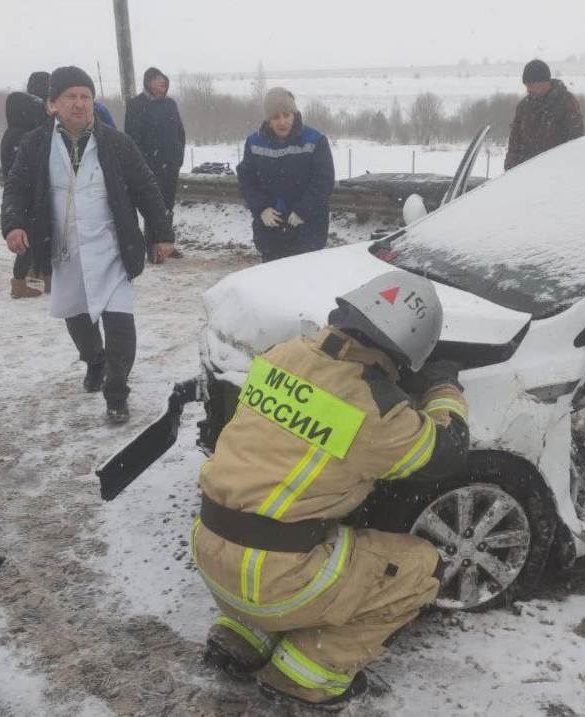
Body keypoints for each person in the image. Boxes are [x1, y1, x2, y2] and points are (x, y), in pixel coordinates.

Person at [193, 270, 469, 710]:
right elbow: (447, 451)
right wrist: (443, 386)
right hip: (272, 577)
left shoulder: (283, 354)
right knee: (420, 569)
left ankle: (244, 636)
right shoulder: (377, 409)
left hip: (210, 546)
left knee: (301, 527)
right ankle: (305, 676)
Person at [1, 66, 175, 424]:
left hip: (112, 246)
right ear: (53, 105)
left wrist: (161, 233)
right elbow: (16, 186)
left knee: (120, 321)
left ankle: (117, 392)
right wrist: (14, 224)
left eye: (86, 97)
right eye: (71, 97)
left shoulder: (115, 142)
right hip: (65, 247)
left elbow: (146, 187)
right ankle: (94, 360)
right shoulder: (36, 144)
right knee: (76, 313)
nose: (80, 104)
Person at [237, 87, 335, 262]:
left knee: (306, 280)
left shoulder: (315, 140)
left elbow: (324, 181)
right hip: (270, 231)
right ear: (268, 119)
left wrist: (303, 210)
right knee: (273, 282)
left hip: (308, 229)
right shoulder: (254, 142)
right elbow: (247, 181)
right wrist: (261, 208)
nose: (282, 122)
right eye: (276, 117)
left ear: (294, 114)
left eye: (286, 115)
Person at [1, 72, 51, 299]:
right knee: (31, 239)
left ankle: (37, 276)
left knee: (35, 237)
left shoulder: (12, 133)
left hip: (26, 195)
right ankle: (21, 282)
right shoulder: (27, 136)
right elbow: (21, 172)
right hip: (29, 196)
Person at [125, 67, 185, 216]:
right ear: (148, 82)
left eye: (163, 79)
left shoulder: (170, 104)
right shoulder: (136, 105)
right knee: (153, 211)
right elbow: (132, 139)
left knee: (168, 208)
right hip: (150, 169)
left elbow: (180, 133)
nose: (162, 81)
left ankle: (167, 237)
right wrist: (144, 165)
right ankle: (152, 239)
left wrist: (178, 157)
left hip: (171, 167)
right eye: (157, 78)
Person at [503, 59, 584, 170]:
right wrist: (509, 171)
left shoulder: (567, 102)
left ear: (544, 82)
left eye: (531, 85)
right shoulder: (523, 107)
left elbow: (575, 141)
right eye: (526, 85)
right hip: (526, 173)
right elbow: (515, 145)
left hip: (557, 172)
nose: (528, 90)